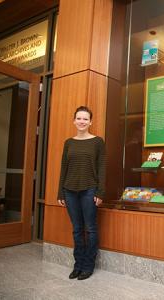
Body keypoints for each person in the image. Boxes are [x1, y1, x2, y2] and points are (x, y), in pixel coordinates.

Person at [57, 106, 106, 280]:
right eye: (79, 118)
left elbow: (101, 168)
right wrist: (60, 193)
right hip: (69, 191)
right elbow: (64, 168)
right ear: (74, 121)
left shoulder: (98, 141)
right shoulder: (68, 143)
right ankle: (78, 265)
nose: (82, 121)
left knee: (90, 229)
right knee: (77, 230)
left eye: (85, 119)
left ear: (90, 122)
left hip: (89, 190)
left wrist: (100, 192)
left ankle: (88, 265)